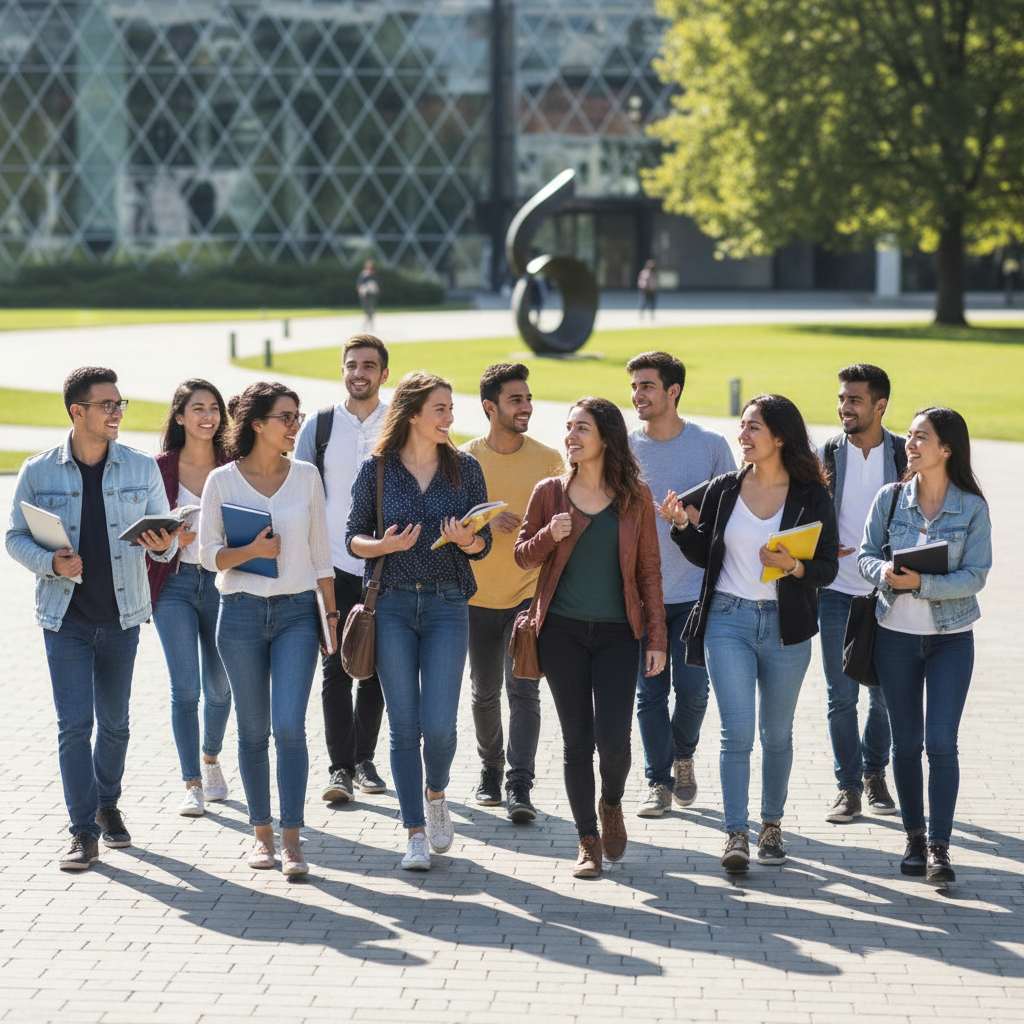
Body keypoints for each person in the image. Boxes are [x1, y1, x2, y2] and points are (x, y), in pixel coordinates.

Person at [6, 366, 180, 870]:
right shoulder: (38, 471)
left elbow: (164, 542)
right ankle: (82, 830)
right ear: (76, 411)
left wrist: (164, 545)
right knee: (74, 725)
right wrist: (50, 562)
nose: (117, 413)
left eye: (120, 404)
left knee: (117, 724)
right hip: (65, 618)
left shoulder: (141, 466)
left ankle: (108, 804)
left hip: (124, 615)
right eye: (107, 405)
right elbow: (16, 536)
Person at [670, 394, 838, 873]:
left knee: (777, 734)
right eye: (742, 426)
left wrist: (793, 565)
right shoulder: (725, 488)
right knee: (736, 732)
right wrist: (682, 525)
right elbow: (705, 554)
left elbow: (826, 565)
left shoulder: (810, 493)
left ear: (779, 437)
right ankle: (735, 833)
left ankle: (771, 825)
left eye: (753, 428)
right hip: (728, 620)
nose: (742, 436)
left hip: (787, 629)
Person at [514, 397, 666, 879]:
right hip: (560, 631)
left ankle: (611, 803)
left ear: (606, 437)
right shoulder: (549, 492)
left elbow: (649, 572)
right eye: (568, 427)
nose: (571, 436)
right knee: (578, 740)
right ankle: (586, 840)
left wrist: (658, 637)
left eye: (582, 428)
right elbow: (522, 556)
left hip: (621, 633)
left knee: (615, 741)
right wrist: (549, 537)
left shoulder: (635, 496)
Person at [346, 372, 492, 871]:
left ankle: (436, 794)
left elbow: (484, 542)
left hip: (448, 603)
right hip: (389, 605)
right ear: (413, 414)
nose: (450, 418)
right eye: (440, 409)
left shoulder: (466, 469)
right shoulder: (377, 470)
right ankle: (413, 831)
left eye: (451, 408)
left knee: (441, 727)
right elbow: (353, 539)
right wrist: (384, 545)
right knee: (404, 724)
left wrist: (467, 540)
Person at [199, 382, 337, 877]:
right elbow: (208, 554)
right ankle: (262, 836)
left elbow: (322, 554)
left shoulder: (306, 477)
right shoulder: (222, 481)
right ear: (257, 424)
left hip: (299, 613)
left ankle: (294, 840)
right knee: (254, 731)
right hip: (238, 614)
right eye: (286, 417)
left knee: (288, 727)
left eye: (297, 416)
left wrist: (332, 617)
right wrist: (252, 552)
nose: (295, 426)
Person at [859, 408, 991, 884]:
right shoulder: (890, 498)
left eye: (922, 438)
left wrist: (924, 583)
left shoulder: (972, 508)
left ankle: (939, 846)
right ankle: (914, 837)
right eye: (910, 437)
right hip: (894, 637)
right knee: (906, 744)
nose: (910, 445)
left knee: (940, 743)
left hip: (950, 641)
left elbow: (975, 575)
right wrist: (885, 575)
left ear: (947, 449)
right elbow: (865, 554)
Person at [626, 351, 735, 817]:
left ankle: (683, 754)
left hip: (696, 594)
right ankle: (658, 780)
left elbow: (735, 517)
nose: (637, 395)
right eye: (634, 386)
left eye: (646, 386)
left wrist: (694, 521)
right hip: (641, 595)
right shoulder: (624, 448)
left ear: (673, 391)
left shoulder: (710, 446)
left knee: (692, 690)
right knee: (649, 692)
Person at [460, 363, 565, 820]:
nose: (527, 406)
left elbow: (567, 523)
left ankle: (520, 785)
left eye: (527, 398)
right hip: (475, 598)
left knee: (524, 691)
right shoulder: (462, 459)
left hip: (528, 597)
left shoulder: (548, 460)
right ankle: (490, 770)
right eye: (515, 400)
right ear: (490, 407)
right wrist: (482, 522)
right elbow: (447, 527)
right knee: (484, 693)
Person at [295, 335, 390, 804]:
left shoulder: (400, 422)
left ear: (383, 374)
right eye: (352, 364)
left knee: (375, 669)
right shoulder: (320, 425)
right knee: (334, 667)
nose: (359, 372)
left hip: (385, 565)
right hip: (330, 566)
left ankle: (364, 759)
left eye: (369, 365)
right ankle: (339, 769)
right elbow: (299, 492)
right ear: (343, 370)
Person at [819, 364, 906, 824]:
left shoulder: (901, 453)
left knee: (886, 694)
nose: (844, 407)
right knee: (841, 696)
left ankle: (875, 774)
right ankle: (847, 786)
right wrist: (818, 541)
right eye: (841, 398)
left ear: (880, 405)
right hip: (835, 591)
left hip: (889, 592)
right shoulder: (827, 453)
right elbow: (802, 509)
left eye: (854, 399)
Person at [148, 379, 233, 818]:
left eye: (214, 408)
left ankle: (211, 757)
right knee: (186, 689)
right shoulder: (158, 468)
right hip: (175, 586)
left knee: (220, 688)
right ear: (180, 416)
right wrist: (168, 537)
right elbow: (143, 534)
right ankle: (192, 784)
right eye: (198, 408)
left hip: (223, 585)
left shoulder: (233, 465)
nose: (208, 416)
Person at [357, 260, 380, 329]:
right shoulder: (363, 274)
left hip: (372, 294)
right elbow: (359, 284)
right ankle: (367, 323)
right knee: (366, 310)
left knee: (372, 309)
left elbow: (377, 285)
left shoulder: (374, 275)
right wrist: (361, 290)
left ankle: (370, 324)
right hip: (365, 294)